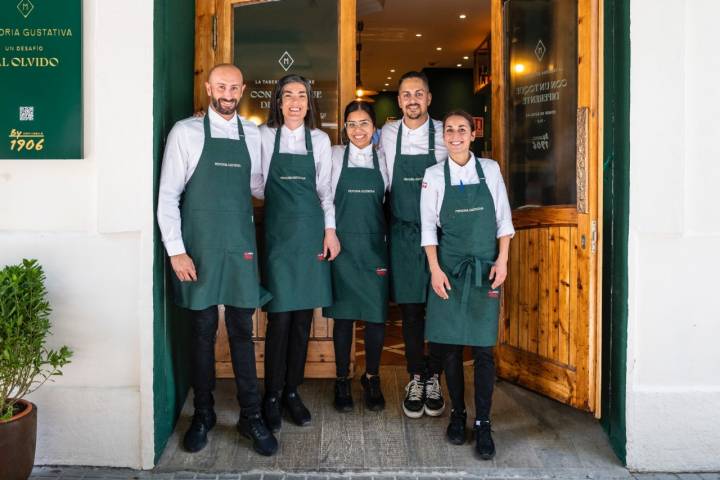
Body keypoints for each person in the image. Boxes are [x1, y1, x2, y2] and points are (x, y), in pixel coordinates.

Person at [157, 64, 278, 456]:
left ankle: (251, 416)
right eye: (221, 85)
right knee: (203, 332)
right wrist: (176, 250)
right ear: (209, 87)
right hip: (199, 251)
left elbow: (257, 185)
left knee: (243, 332)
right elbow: (167, 197)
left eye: (234, 87)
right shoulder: (185, 132)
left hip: (241, 247)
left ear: (243, 89)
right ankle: (204, 414)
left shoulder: (255, 135)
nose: (228, 92)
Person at [420, 110, 514, 459]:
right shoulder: (433, 176)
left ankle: (483, 422)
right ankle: (458, 414)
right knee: (450, 348)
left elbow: (503, 220)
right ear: (443, 136)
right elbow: (428, 227)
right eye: (449, 130)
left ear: (472, 134)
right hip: (449, 271)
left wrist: (502, 260)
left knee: (485, 350)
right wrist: (434, 269)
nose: (456, 135)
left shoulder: (489, 170)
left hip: (486, 270)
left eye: (462, 129)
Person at [259, 74, 339, 432]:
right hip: (277, 237)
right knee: (280, 319)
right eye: (288, 95)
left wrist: (330, 231)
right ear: (278, 101)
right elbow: (257, 184)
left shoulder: (320, 140)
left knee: (303, 320)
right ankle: (271, 395)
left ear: (309, 103)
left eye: (301, 96)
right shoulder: (264, 137)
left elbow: (325, 190)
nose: (295, 102)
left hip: (309, 236)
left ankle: (292, 392)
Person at [378, 71, 448, 418]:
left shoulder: (444, 133)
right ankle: (416, 376)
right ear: (399, 99)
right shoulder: (388, 135)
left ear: (429, 98)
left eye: (418, 94)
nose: (412, 100)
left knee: (438, 307)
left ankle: (434, 375)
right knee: (409, 311)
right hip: (404, 233)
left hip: (439, 234)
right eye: (406, 94)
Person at [323, 101, 390, 413]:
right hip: (343, 247)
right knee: (344, 318)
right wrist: (330, 232)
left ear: (374, 128)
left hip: (376, 247)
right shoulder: (335, 156)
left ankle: (371, 376)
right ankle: (341, 379)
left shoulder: (384, 159)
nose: (358, 130)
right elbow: (324, 196)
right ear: (344, 128)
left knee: (376, 318)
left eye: (364, 123)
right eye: (351, 124)